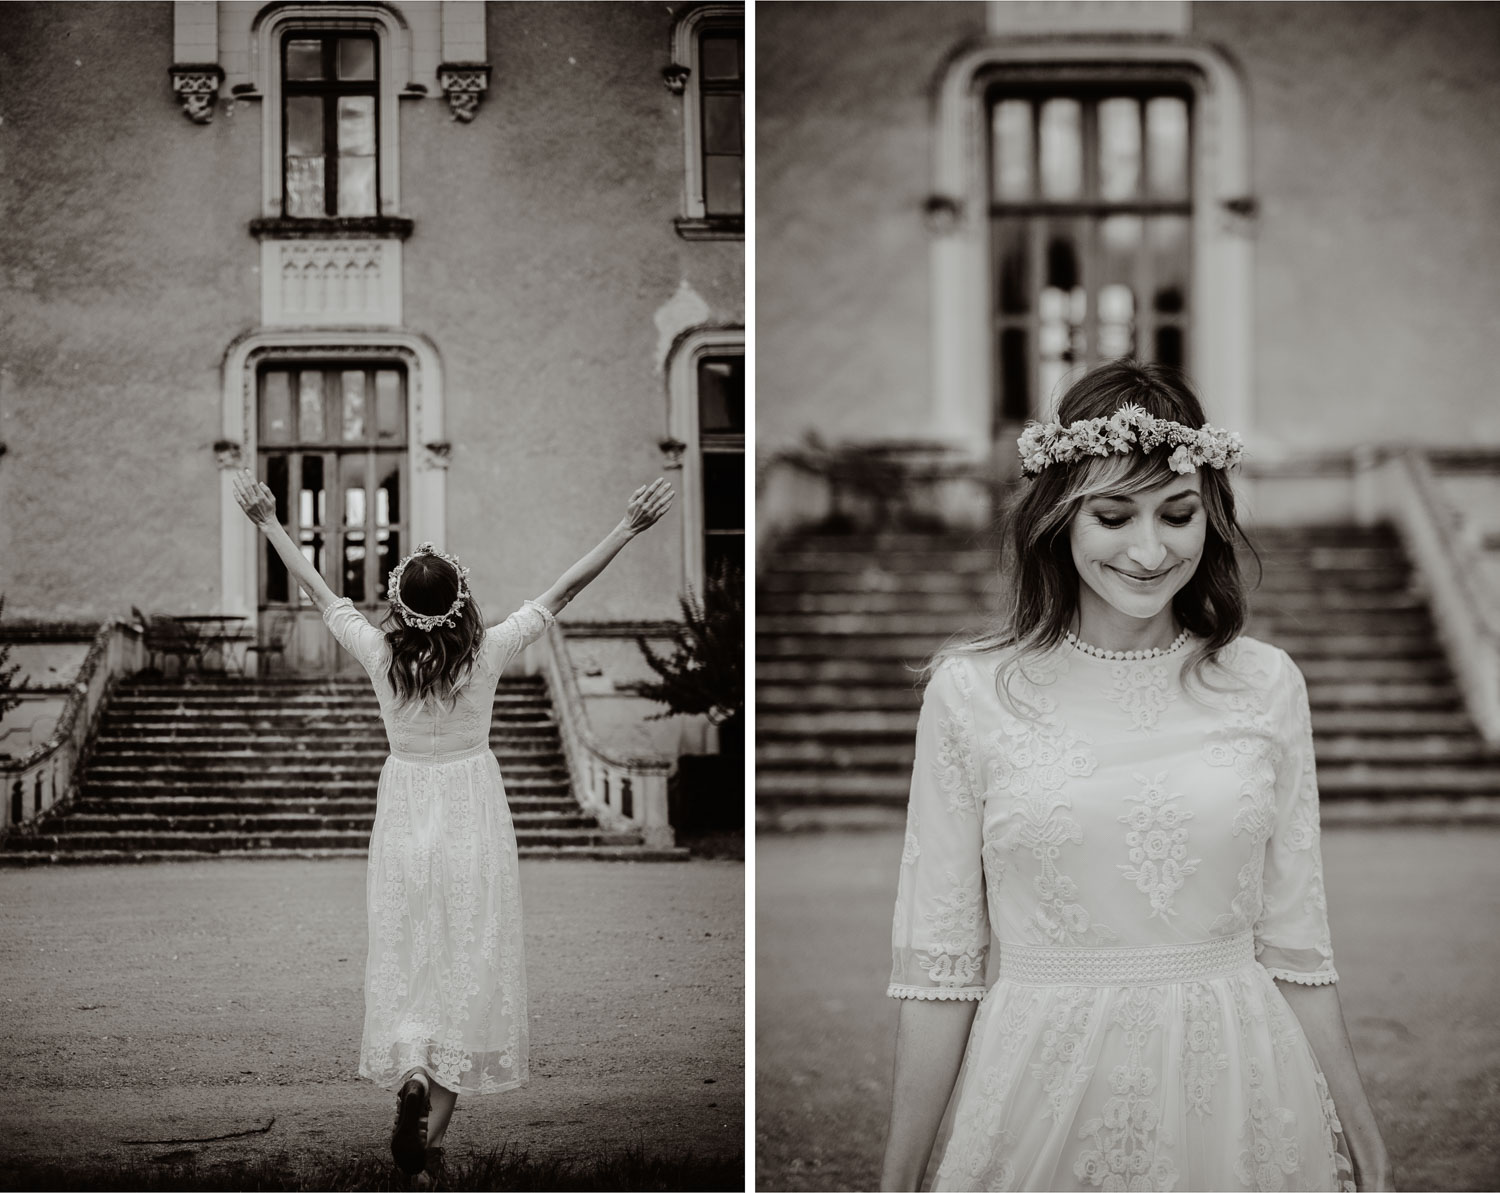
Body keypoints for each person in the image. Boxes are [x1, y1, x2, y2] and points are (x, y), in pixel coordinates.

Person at [879, 361, 1391, 1193]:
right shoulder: (970, 693)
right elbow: (939, 971)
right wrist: (898, 1181)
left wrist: (1364, 1139)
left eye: (1178, 514)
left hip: (1242, 1094)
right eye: (1113, 516)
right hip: (1041, 1089)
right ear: (1059, 517)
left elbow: (1298, 947)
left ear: (1210, 514)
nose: (1150, 551)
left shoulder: (1266, 683)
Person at [233, 471, 673, 1186]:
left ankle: (411, 1076)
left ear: (400, 608)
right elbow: (562, 592)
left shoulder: (380, 655)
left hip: (406, 809)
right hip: (472, 812)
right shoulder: (487, 652)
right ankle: (427, 1145)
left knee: (410, 955)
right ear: (460, 603)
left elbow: (320, 591)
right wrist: (628, 527)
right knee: (467, 961)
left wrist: (269, 522)